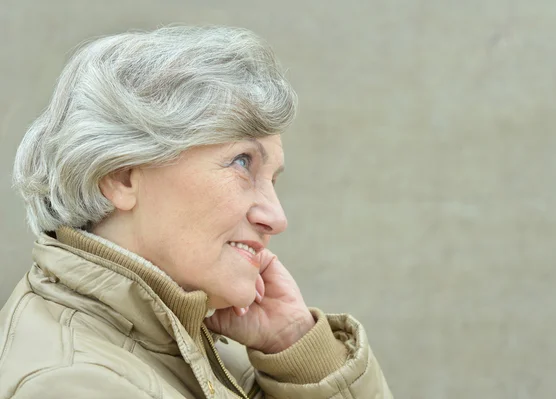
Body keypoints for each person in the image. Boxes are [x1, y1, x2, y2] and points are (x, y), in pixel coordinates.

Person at [0, 25, 392, 398]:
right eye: (242, 162)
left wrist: (296, 348)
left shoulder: (202, 339)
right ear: (121, 177)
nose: (276, 217)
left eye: (272, 179)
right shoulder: (72, 384)